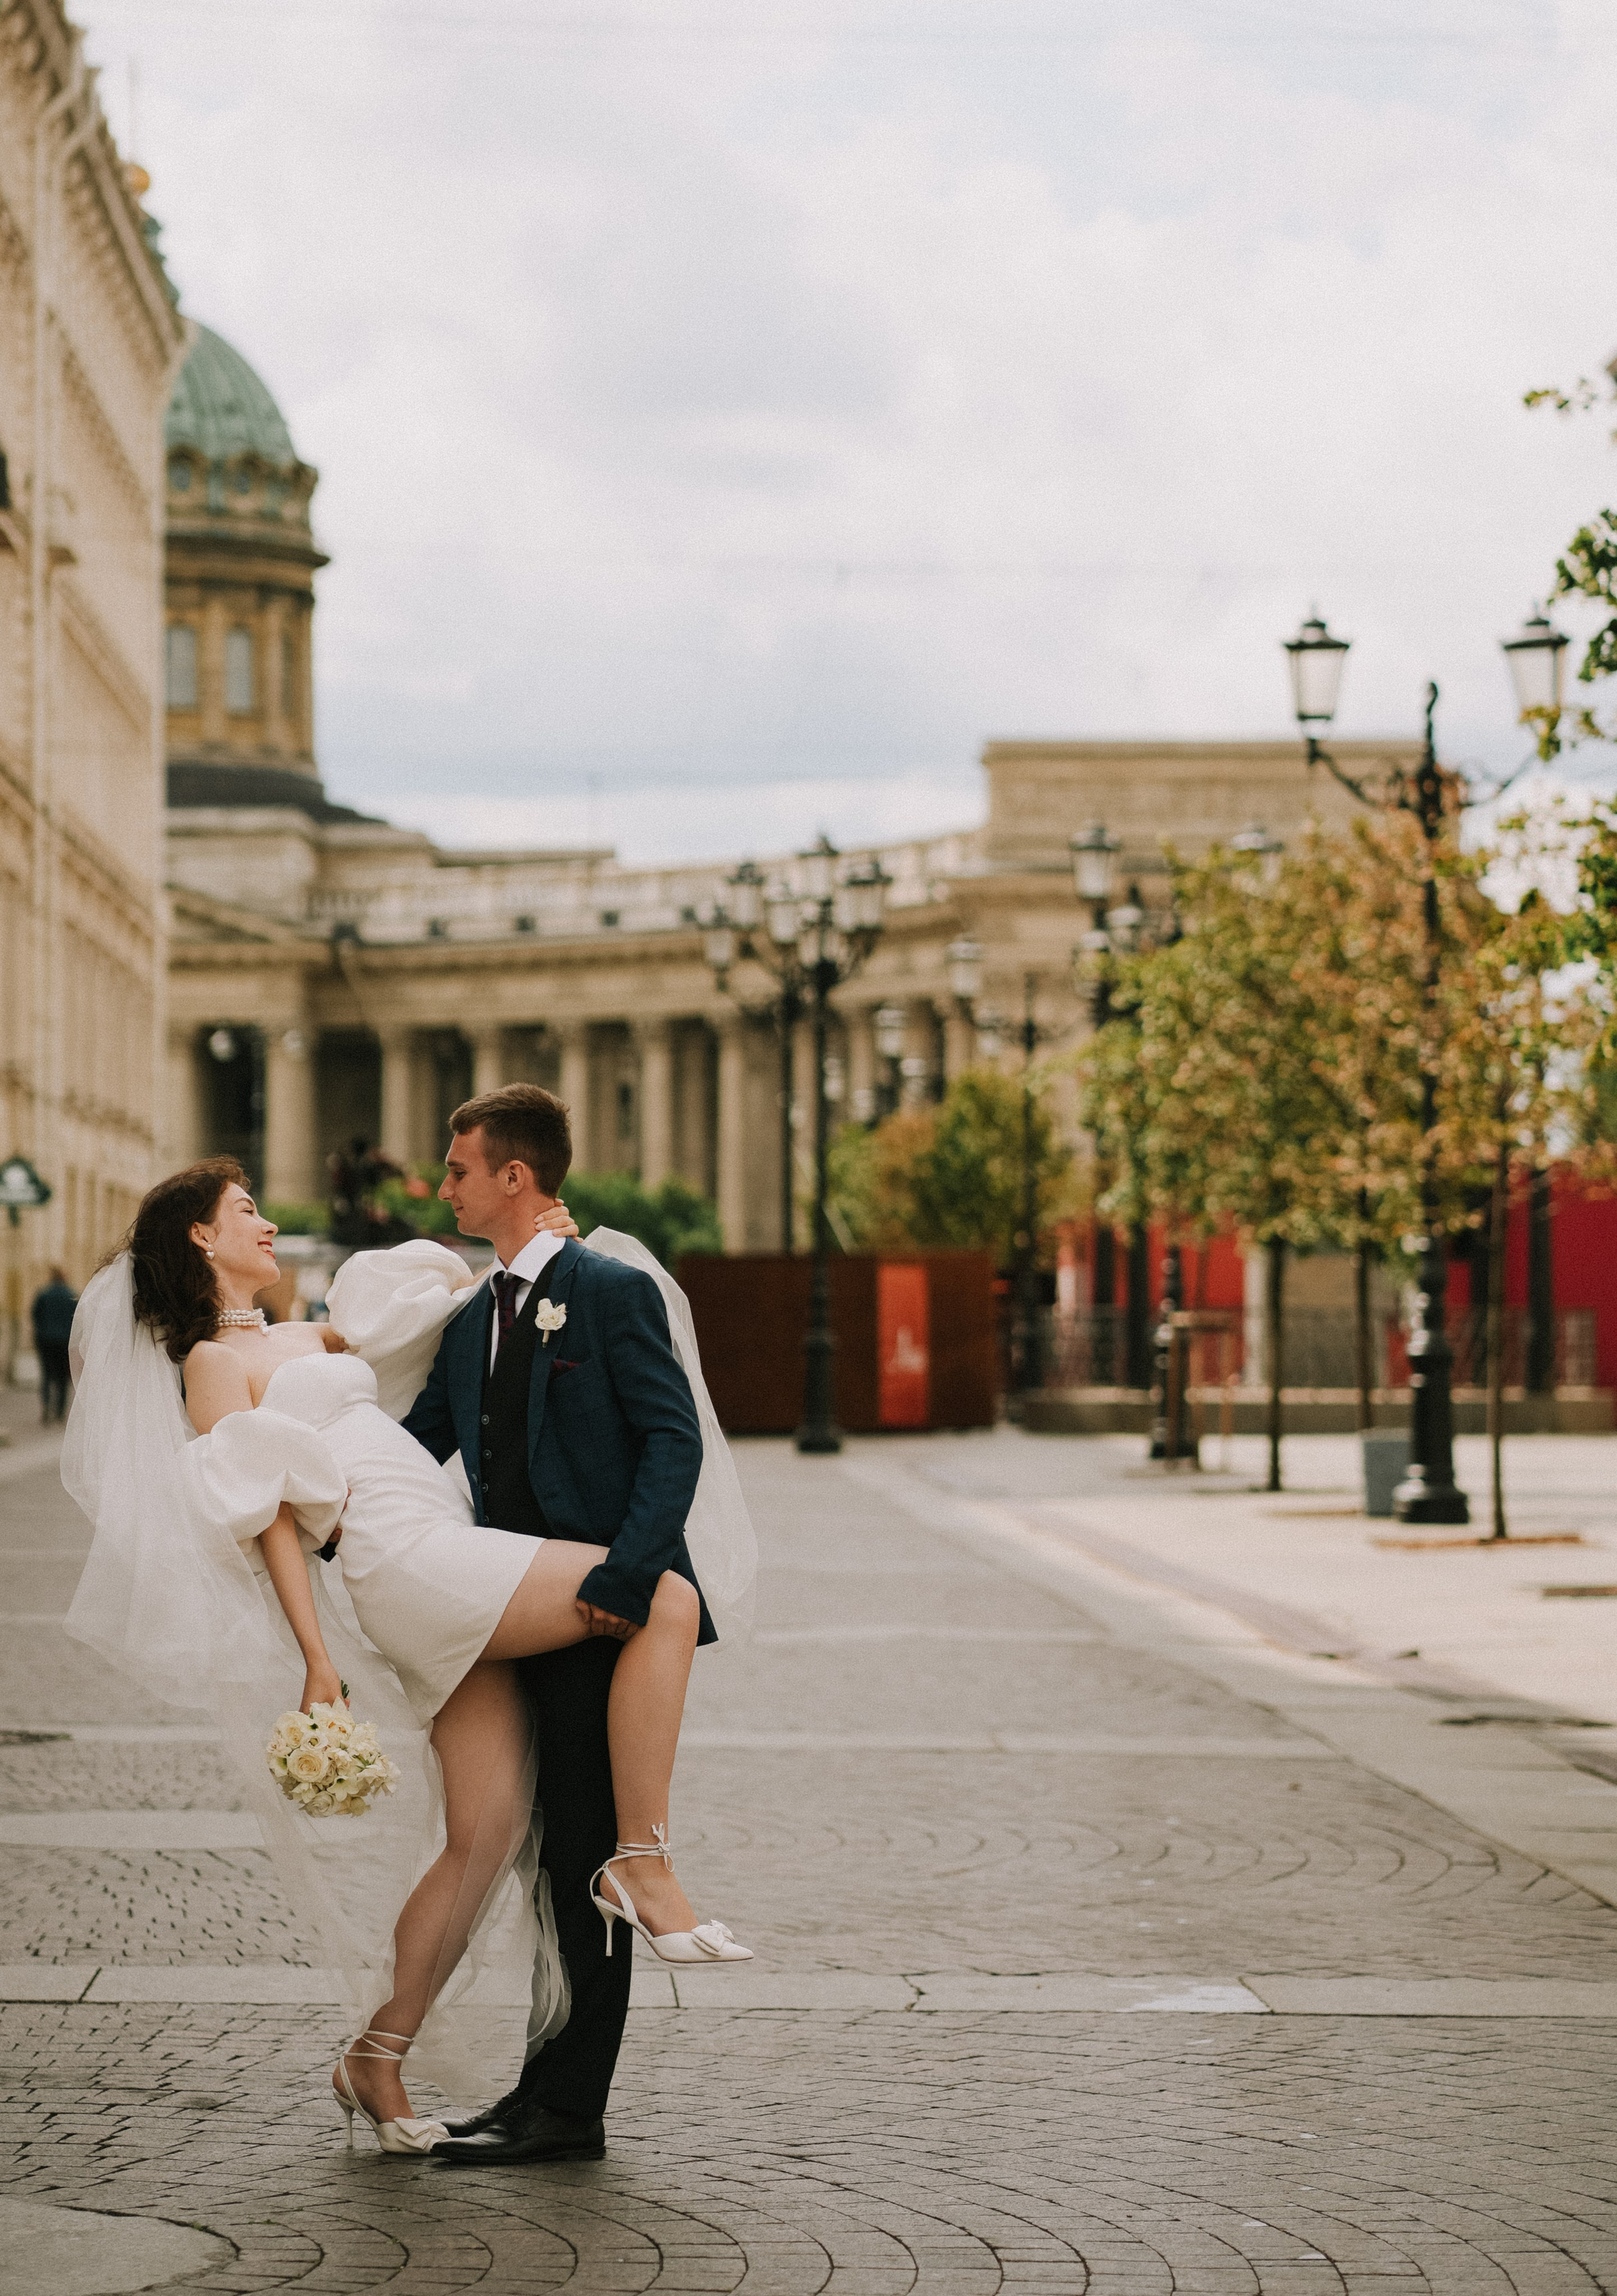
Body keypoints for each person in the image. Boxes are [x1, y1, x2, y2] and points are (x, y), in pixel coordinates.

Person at [60, 1132, 756, 2161]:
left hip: (447, 1545)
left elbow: (466, 1338)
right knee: (658, 1591)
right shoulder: (212, 1362)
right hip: (401, 1555)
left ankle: (377, 2054)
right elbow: (263, 1520)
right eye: (243, 1206)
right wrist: (316, 1657)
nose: (262, 1219)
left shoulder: (318, 1334)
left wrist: (544, 1251)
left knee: (484, 1835)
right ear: (201, 1238)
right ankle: (643, 1862)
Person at [31, 1267, 77, 1423]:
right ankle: (60, 1411)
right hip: (64, 1341)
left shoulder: (43, 1294)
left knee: (46, 1375)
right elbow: (76, 1320)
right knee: (63, 1377)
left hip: (46, 1340)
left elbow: (35, 1316)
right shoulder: (71, 1295)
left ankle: (46, 1407)